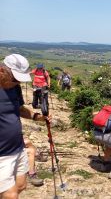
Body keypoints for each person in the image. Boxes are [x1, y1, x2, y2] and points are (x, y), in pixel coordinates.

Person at [0, 54, 49, 199]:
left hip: (17, 147)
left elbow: (20, 109)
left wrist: (36, 117)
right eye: (15, 78)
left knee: (21, 186)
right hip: (2, 154)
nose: (17, 82)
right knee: (11, 195)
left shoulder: (15, 88)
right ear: (2, 70)